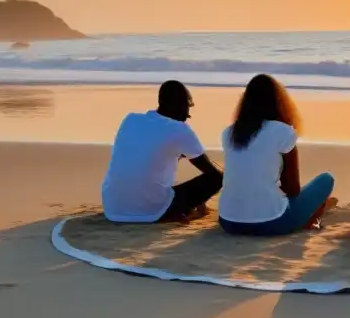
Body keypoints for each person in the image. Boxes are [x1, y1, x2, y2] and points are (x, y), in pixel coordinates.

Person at [218, 74, 336, 236]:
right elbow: (293, 189)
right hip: (271, 223)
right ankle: (313, 223)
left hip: (228, 221)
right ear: (277, 101)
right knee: (326, 179)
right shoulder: (284, 132)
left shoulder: (229, 132)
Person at [101, 80, 223, 223]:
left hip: (113, 207)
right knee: (217, 178)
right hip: (151, 211)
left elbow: (147, 156)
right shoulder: (180, 129)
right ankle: (178, 213)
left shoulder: (130, 119)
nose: (188, 115)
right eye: (188, 107)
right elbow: (210, 171)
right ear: (182, 105)